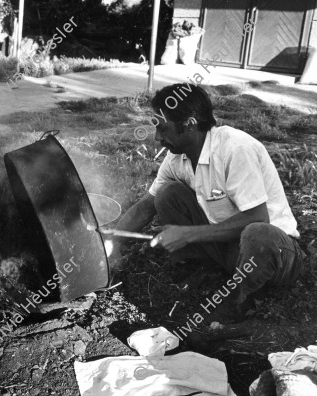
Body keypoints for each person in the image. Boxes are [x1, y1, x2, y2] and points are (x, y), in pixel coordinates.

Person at [113, 84, 305, 324]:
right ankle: (203, 268)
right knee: (167, 194)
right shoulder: (177, 158)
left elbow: (258, 217)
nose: (157, 138)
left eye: (163, 129)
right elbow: (146, 206)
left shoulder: (235, 149)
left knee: (258, 234)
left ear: (190, 124)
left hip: (275, 254)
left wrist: (188, 234)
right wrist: (112, 241)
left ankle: (241, 299)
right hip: (229, 247)